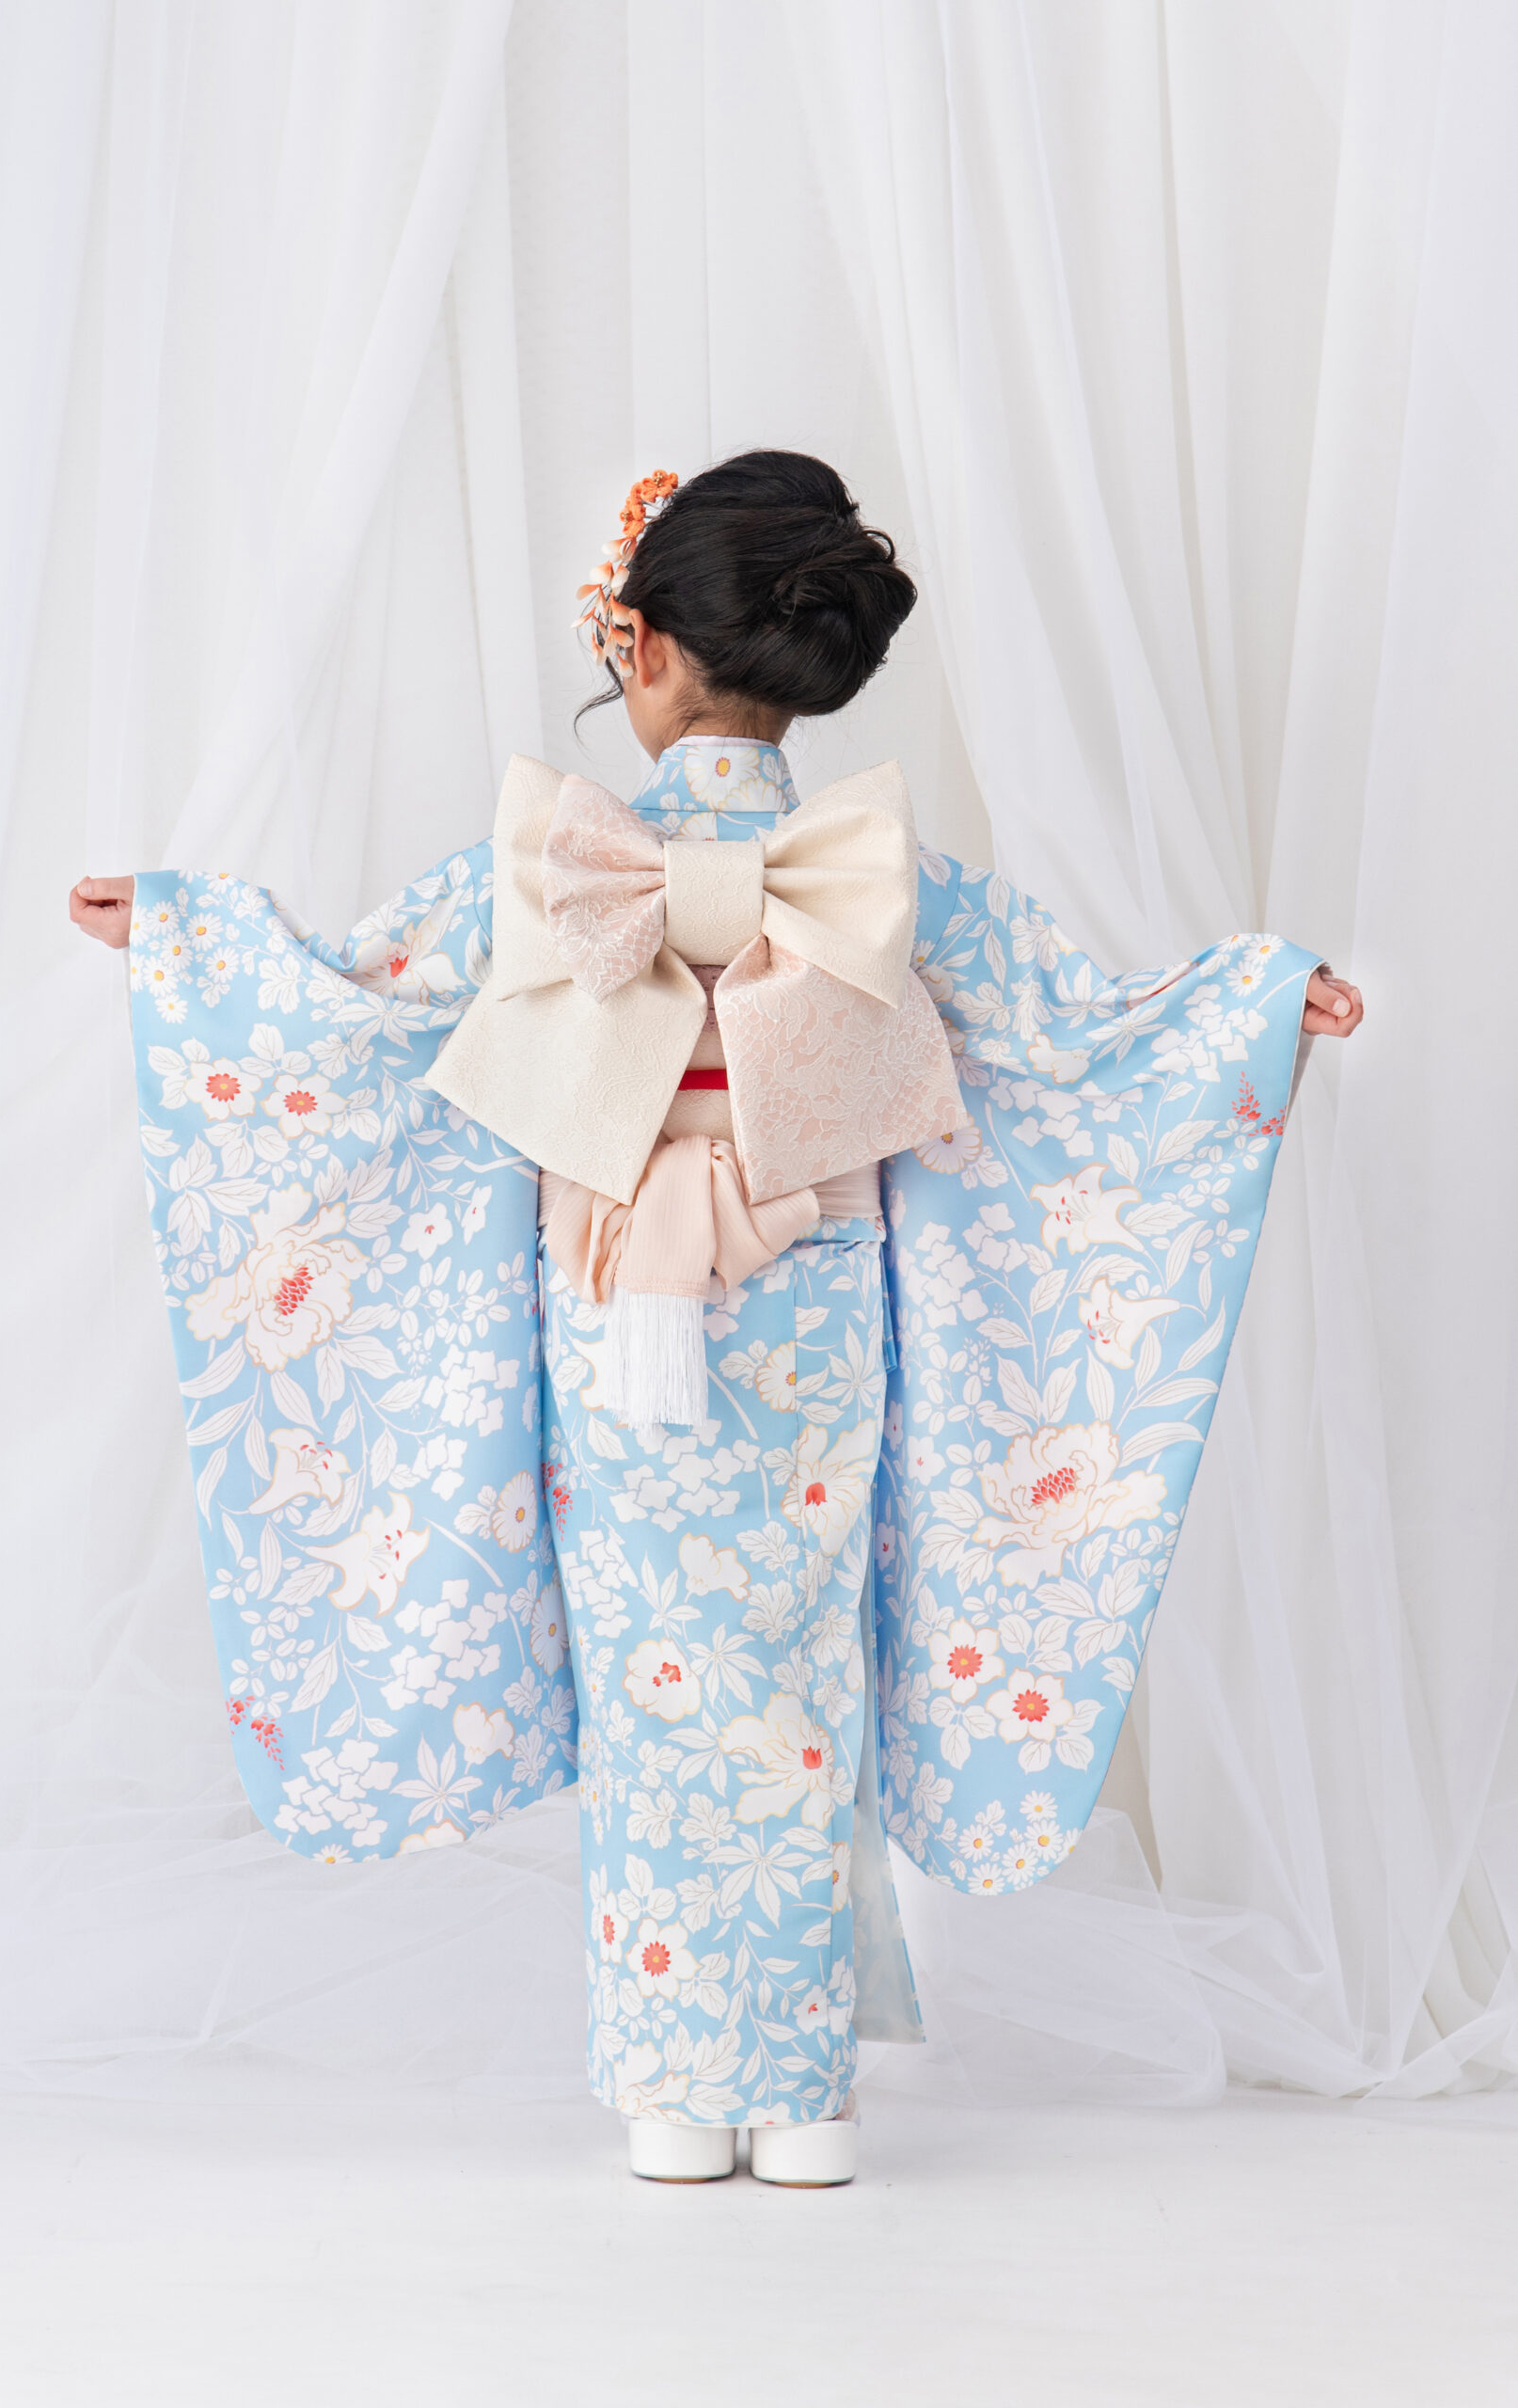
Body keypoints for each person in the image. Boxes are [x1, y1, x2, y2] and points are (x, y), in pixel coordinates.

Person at [71, 450, 1362, 2187]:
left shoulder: (544, 870)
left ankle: (676, 2093)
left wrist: (178, 940)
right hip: (818, 1315)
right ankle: (803, 2099)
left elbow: (345, 999)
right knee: (795, 1671)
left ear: (646, 649)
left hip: (609, 1306)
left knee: (652, 1682)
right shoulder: (884, 876)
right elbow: (1087, 1034)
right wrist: (1262, 1004)